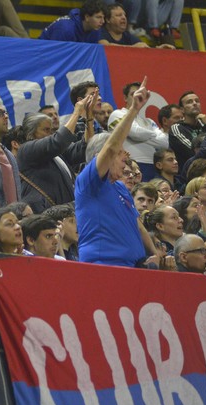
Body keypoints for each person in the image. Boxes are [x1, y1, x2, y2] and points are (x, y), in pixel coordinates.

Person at [75, 77, 158, 267]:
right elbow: (111, 146)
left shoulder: (120, 188)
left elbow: (136, 224)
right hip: (104, 266)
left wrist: (154, 254)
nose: (125, 158)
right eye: (121, 153)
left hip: (133, 266)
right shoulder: (88, 181)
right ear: (101, 155)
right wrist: (134, 110)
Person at [18, 95, 93, 213]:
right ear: (31, 134)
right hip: (45, 214)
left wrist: (89, 117)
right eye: (46, 130)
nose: (50, 134)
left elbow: (86, 148)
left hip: (66, 212)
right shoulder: (26, 150)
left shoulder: (56, 154)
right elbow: (57, 141)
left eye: (52, 130)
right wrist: (77, 112)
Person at [99, 3, 175, 49]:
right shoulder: (100, 33)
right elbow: (105, 46)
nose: (123, 17)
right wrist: (133, 48)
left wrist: (159, 49)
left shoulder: (128, 36)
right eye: (118, 15)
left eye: (124, 15)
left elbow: (143, 47)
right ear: (108, 20)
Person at [169, 91, 206, 170]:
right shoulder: (177, 128)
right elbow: (193, 152)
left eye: (197, 101)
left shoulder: (205, 126)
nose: (195, 103)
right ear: (182, 110)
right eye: (189, 102)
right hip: (188, 176)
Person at [39, 0, 106, 43]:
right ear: (87, 17)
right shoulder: (65, 28)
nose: (102, 21)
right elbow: (55, 55)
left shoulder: (95, 29)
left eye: (103, 17)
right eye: (98, 17)